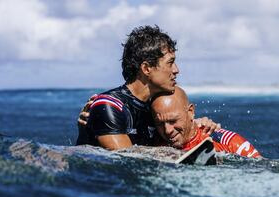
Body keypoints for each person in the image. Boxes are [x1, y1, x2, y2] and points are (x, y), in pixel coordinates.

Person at [76, 25, 219, 150]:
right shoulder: (109, 106)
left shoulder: (154, 108)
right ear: (147, 68)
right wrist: (170, 154)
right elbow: (126, 157)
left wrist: (196, 126)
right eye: (170, 63)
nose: (176, 70)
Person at [151, 86, 262, 158]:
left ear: (191, 111)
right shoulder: (154, 143)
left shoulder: (227, 141)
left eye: (173, 120)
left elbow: (263, 168)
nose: (167, 130)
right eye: (160, 123)